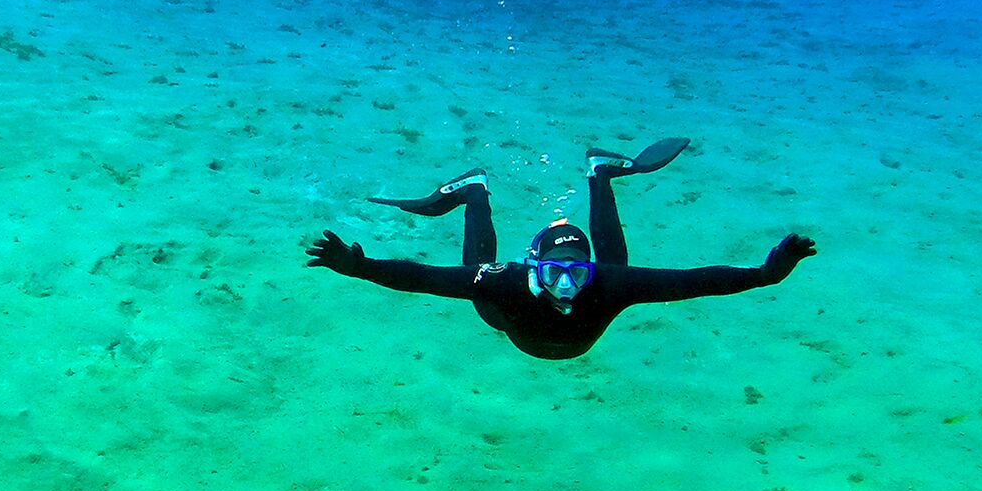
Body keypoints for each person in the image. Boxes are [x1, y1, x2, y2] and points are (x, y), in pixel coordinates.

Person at [307, 138, 816, 360]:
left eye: (577, 273)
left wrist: (765, 274)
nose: (567, 285)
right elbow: (423, 278)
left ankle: (601, 176)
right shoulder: (505, 280)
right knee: (474, 278)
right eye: (555, 273)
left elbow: (694, 282)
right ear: (533, 267)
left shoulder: (606, 283)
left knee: (620, 273)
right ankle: (473, 192)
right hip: (505, 311)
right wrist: (361, 267)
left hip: (582, 301)